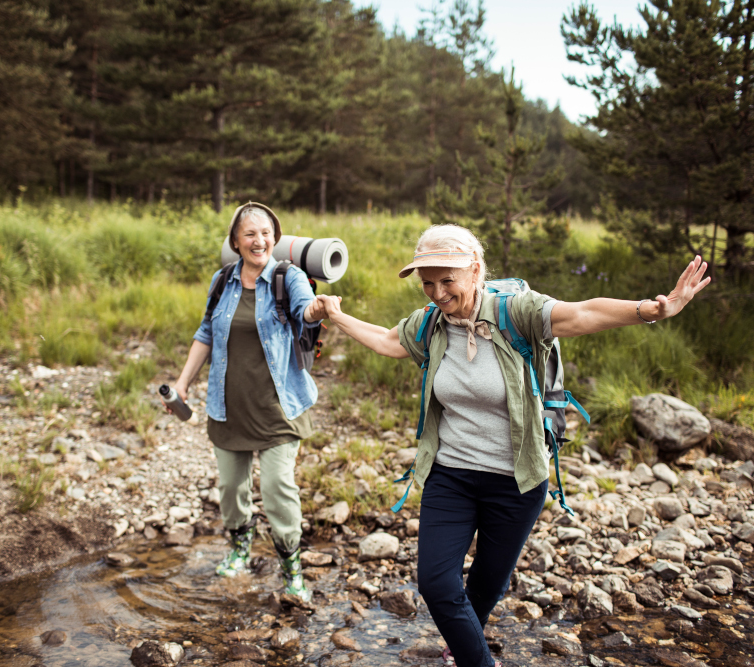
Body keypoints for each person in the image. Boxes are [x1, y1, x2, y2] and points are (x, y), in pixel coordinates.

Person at [315, 224, 710, 667]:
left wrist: (652, 309)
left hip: (516, 481)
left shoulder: (516, 312)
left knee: (486, 585)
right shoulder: (429, 324)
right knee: (437, 585)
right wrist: (336, 314)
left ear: (476, 270)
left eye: (448, 280)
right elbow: (388, 341)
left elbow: (582, 313)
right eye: (428, 282)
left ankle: (460, 646)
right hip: (452, 475)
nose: (437, 293)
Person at [169, 202, 326, 602]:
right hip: (228, 405)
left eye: (266, 232)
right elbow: (205, 331)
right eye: (250, 234)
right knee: (231, 488)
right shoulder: (222, 281)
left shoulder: (287, 277)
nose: (260, 240)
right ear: (235, 241)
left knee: (276, 487)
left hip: (278, 408)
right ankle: (240, 548)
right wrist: (183, 383)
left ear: (275, 237)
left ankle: (292, 568)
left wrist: (317, 309)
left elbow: (304, 310)